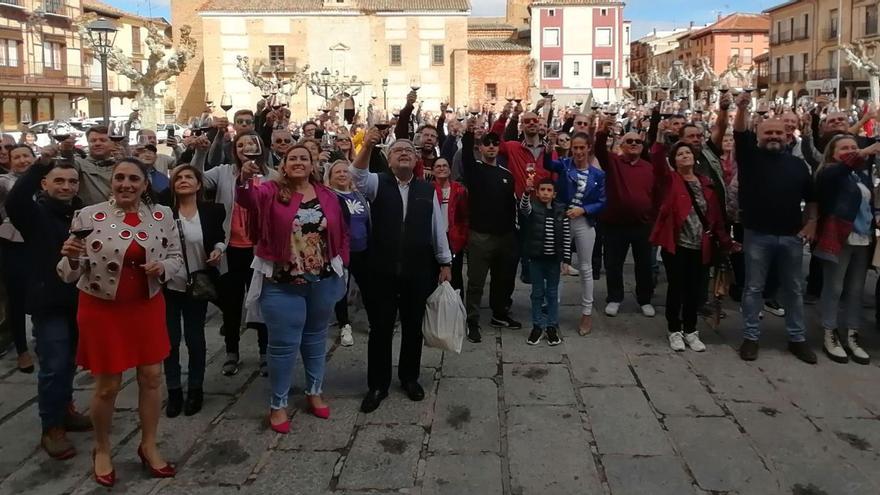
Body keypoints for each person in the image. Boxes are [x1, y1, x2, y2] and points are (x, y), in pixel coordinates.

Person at [57, 158, 182, 486]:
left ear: (145, 184)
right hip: (102, 309)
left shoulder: (162, 215)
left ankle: (149, 444)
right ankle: (101, 448)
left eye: (134, 179)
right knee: (108, 384)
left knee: (152, 377)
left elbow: (176, 259)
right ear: (111, 182)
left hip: (146, 305)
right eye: (120, 178)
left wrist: (164, 269)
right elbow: (70, 271)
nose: (126, 184)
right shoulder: (89, 216)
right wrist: (70, 256)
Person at [237, 145, 349, 432]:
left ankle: (314, 390)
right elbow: (248, 199)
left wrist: (343, 260)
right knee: (283, 345)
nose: (299, 162)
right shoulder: (271, 192)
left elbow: (340, 230)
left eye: (305, 158)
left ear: (313, 165)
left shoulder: (326, 194)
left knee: (315, 338)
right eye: (292, 159)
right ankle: (278, 404)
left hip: (321, 280)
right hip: (282, 282)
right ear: (283, 165)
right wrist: (245, 178)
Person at [351, 130, 451, 414]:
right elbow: (356, 175)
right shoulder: (376, 183)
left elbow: (437, 228)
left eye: (409, 150)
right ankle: (378, 384)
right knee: (380, 328)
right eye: (397, 150)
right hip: (381, 267)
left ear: (417, 158)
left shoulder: (426, 189)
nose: (404, 153)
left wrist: (445, 262)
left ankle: (409, 377)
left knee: (412, 326)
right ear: (388, 158)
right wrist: (368, 146)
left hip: (417, 267)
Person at [6, 151, 91, 459]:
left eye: (72, 181)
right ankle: (51, 426)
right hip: (49, 301)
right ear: (44, 184)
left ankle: (66, 409)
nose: (66, 187)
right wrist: (39, 164)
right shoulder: (35, 213)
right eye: (59, 181)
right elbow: (15, 201)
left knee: (69, 361)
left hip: (78, 299)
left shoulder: (80, 212)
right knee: (53, 364)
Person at [733, 93, 818, 364]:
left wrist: (812, 223)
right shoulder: (749, 157)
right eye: (767, 132)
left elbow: (812, 197)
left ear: (787, 135)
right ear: (758, 136)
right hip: (757, 233)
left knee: (793, 289)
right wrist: (742, 106)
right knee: (753, 288)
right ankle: (751, 337)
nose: (773, 136)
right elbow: (738, 130)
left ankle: (797, 338)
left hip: (792, 235)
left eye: (777, 132)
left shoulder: (797, 165)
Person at [191, 131, 273, 377]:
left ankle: (264, 352)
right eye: (241, 144)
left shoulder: (273, 176)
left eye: (251, 143)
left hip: (260, 250)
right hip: (230, 248)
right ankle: (231, 352)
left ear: (260, 148)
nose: (246, 147)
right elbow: (197, 180)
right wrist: (201, 153)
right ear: (234, 149)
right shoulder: (224, 173)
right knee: (231, 304)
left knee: (261, 302)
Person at [650, 139, 735, 351]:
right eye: (680, 154)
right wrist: (660, 136)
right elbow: (658, 161)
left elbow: (715, 217)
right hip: (677, 245)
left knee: (694, 290)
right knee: (676, 288)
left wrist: (726, 242)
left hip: (701, 245)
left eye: (688, 152)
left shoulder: (706, 183)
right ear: (674, 161)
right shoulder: (670, 180)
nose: (685, 156)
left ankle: (690, 329)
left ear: (694, 157)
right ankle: (674, 329)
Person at [164, 165, 226, 417]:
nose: (184, 181)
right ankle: (174, 390)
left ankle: (196, 388)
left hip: (197, 284)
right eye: (178, 177)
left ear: (199, 184)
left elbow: (220, 237)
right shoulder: (163, 212)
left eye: (189, 177)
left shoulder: (211, 211)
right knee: (169, 341)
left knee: (195, 338)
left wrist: (218, 250)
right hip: (168, 283)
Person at [814, 137, 880, 364]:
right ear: (833, 153)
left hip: (863, 237)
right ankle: (829, 333)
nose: (852, 151)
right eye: (845, 148)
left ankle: (852, 334)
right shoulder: (830, 173)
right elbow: (836, 176)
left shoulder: (861, 174)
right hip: (838, 237)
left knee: (856, 289)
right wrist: (862, 153)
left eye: (854, 147)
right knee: (834, 287)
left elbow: (869, 202)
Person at [461, 128, 521, 343]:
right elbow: (466, 156)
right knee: (476, 281)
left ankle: (499, 314)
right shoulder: (475, 170)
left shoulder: (507, 175)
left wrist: (513, 234)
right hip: (481, 236)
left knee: (502, 279)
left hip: (504, 236)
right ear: (481, 147)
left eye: (495, 143)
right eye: (487, 143)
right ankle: (472, 320)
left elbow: (511, 206)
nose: (491, 147)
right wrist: (468, 133)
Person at [594, 116, 658, 317]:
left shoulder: (649, 167)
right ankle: (614, 297)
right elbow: (599, 150)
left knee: (645, 264)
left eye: (638, 141)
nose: (633, 144)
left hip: (642, 224)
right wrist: (603, 131)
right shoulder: (613, 162)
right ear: (621, 145)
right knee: (613, 263)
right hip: (615, 224)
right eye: (629, 141)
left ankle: (645, 299)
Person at [544, 132, 606, 335]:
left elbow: (602, 201)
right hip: (563, 220)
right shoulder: (564, 164)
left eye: (582, 147)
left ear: (589, 148)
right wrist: (550, 147)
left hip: (584, 222)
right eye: (575, 147)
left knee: (586, 267)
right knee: (557, 263)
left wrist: (584, 209)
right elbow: (548, 164)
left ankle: (587, 313)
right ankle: (552, 305)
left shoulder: (598, 175)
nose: (578, 151)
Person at [519, 177, 571, 346]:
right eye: (542, 190)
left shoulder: (560, 211)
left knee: (552, 293)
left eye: (549, 190)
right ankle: (537, 325)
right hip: (536, 259)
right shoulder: (533, 207)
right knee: (537, 293)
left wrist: (566, 259)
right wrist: (526, 192)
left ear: (554, 194)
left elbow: (565, 235)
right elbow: (523, 208)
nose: (545, 193)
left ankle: (551, 325)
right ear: (537, 192)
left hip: (554, 260)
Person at [325, 159, 370, 347]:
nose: (343, 174)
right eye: (338, 172)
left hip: (363, 248)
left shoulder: (358, 195)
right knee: (341, 288)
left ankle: (372, 318)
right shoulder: (330, 197)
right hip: (341, 250)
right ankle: (344, 324)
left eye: (345, 171)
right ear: (331, 177)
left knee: (368, 286)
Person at [0, 144, 36, 372]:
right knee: (16, 298)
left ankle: (42, 340)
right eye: (17, 157)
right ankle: (22, 350)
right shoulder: (4, 181)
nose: (22, 160)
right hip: (12, 244)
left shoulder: (46, 179)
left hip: (39, 243)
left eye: (26, 156)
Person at [432, 158, 468, 293]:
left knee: (456, 276)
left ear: (449, 169)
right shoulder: (428, 189)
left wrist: (463, 237)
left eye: (444, 166)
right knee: (434, 274)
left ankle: (456, 310)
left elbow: (465, 216)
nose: (441, 168)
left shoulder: (460, 190)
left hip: (454, 239)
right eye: (438, 166)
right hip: (435, 238)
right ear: (433, 170)